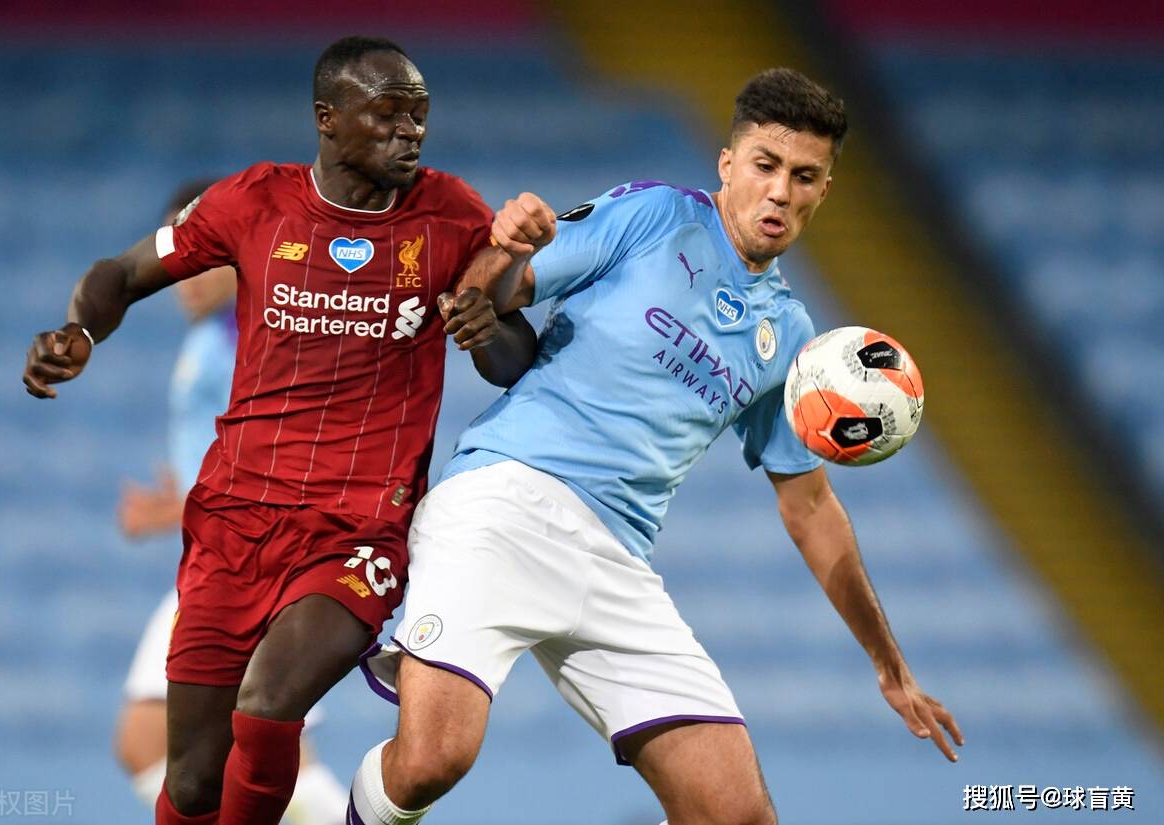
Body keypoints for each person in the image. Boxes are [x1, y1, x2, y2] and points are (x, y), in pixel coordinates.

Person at [350, 68, 964, 825]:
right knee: (431, 761)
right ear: (728, 163)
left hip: (617, 560)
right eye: (766, 165)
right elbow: (498, 290)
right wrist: (507, 250)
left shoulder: (793, 340)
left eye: (803, 177)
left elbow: (810, 508)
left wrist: (889, 665)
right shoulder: (653, 215)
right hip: (507, 502)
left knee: (737, 816)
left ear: (823, 191)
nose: (780, 192)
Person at [22, 36, 536, 825]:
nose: (410, 132)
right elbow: (120, 274)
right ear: (328, 118)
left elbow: (513, 355)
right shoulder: (253, 202)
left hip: (358, 529)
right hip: (233, 521)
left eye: (419, 116)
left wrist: (484, 327)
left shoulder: (453, 215)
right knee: (193, 779)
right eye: (388, 114)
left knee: (267, 705)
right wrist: (80, 332)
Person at [112, 181, 350, 824]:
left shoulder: (257, 332)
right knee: (216, 749)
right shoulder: (214, 337)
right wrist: (180, 506)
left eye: (198, 258)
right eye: (173, 258)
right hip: (222, 552)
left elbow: (288, 446)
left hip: (253, 558)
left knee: (198, 744)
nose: (182, 276)